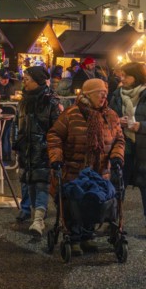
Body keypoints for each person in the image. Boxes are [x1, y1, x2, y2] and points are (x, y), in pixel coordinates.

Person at [47, 78, 125, 255]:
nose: (104, 97)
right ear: (88, 95)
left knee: (94, 203)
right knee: (74, 203)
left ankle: (87, 237)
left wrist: (117, 156)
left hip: (100, 172)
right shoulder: (71, 114)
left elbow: (119, 139)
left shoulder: (110, 116)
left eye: (105, 93)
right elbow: (54, 136)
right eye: (100, 93)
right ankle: (74, 238)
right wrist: (56, 158)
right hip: (73, 171)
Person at [13, 66, 62, 236]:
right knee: (29, 183)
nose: (24, 82)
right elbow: (17, 124)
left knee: (41, 183)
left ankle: (38, 220)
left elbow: (57, 129)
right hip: (25, 149)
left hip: (43, 150)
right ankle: (34, 213)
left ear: (37, 81)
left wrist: (53, 149)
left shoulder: (51, 102)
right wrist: (17, 144)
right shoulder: (23, 101)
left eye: (27, 79)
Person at [109, 62, 146, 225]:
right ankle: (114, 221)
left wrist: (140, 126)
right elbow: (107, 116)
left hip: (143, 148)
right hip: (123, 146)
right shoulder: (117, 94)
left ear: (136, 76)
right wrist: (117, 120)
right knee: (117, 184)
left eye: (126, 75)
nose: (122, 78)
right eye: (121, 75)